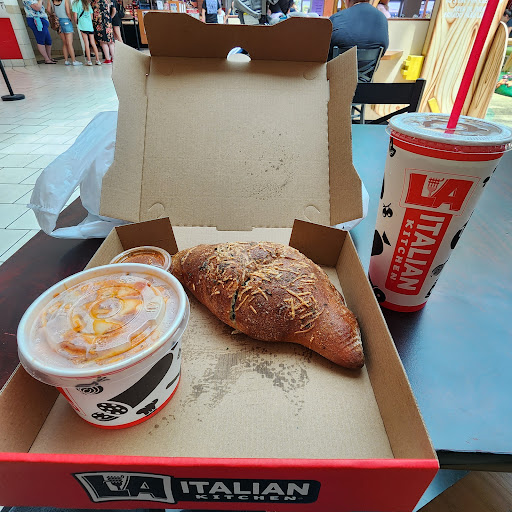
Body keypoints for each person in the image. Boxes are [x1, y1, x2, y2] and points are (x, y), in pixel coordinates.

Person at [48, 0, 83, 65]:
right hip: (66, 20)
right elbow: (68, 12)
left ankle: (66, 61)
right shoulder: (65, 0)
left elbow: (48, 10)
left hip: (58, 22)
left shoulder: (51, 1)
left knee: (64, 43)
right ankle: (74, 61)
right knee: (69, 43)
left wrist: (54, 15)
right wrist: (70, 19)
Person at [72, 0, 101, 65]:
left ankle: (89, 61)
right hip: (89, 26)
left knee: (86, 43)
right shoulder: (88, 4)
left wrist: (77, 22)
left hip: (82, 25)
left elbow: (75, 16)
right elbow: (91, 17)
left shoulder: (75, 3)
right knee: (93, 43)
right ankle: (98, 60)